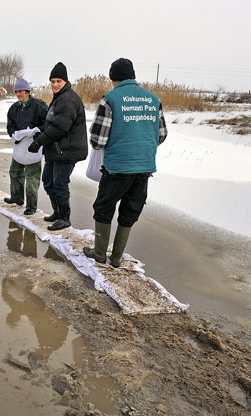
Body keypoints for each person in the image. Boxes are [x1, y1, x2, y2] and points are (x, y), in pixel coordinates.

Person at [83, 58, 168, 267]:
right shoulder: (153, 99)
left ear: (113, 78)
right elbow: (162, 135)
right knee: (130, 210)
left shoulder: (110, 99)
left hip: (117, 167)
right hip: (144, 167)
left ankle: (100, 253)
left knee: (104, 207)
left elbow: (97, 140)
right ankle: (117, 258)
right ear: (133, 76)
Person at [28, 62, 88, 231]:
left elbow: (60, 128)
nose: (54, 84)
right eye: (52, 81)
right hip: (56, 150)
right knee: (48, 181)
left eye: (58, 81)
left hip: (67, 150)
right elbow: (52, 123)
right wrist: (39, 133)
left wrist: (38, 142)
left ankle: (64, 218)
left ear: (65, 82)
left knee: (59, 184)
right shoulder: (59, 97)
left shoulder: (68, 99)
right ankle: (57, 212)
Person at [4, 78, 48, 215]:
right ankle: (16, 198)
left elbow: (48, 124)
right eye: (16, 92)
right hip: (19, 147)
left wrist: (34, 133)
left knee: (32, 177)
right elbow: (10, 126)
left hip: (33, 146)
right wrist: (15, 135)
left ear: (28, 91)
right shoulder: (14, 108)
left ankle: (31, 205)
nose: (18, 94)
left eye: (21, 91)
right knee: (15, 172)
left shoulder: (39, 106)